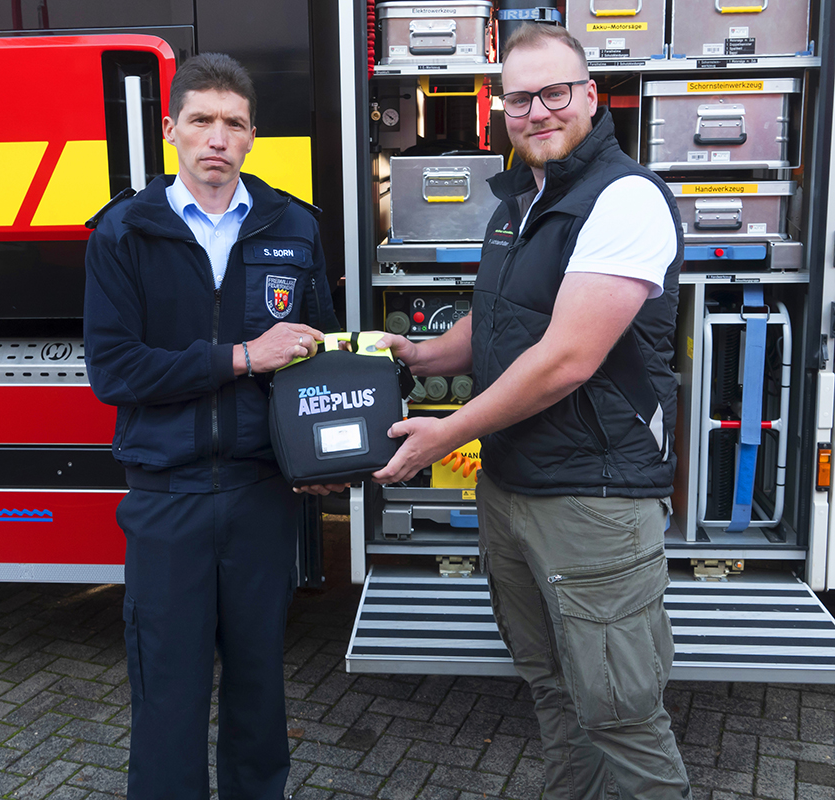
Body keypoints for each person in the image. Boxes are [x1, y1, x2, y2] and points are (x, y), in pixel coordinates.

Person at [370, 24, 691, 800]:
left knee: (620, 713)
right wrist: (418, 355)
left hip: (593, 497)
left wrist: (447, 432)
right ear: (501, 107)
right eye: (520, 97)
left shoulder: (624, 198)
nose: (538, 110)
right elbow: (502, 322)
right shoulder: (523, 197)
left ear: (589, 95)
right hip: (514, 487)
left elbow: (567, 358)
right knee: (552, 687)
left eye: (555, 93)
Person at [83, 53, 340, 800]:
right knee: (169, 692)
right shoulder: (123, 234)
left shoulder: (293, 226)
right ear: (171, 130)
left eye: (233, 123)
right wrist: (239, 357)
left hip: (264, 494)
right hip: (168, 496)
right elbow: (116, 372)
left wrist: (328, 452)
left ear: (253, 135)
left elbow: (311, 359)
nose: (216, 138)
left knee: (261, 690)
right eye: (200, 121)